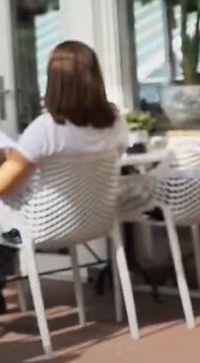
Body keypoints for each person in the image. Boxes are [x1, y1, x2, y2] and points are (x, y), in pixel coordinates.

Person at [0, 41, 128, 313]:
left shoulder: (46, 128)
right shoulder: (115, 121)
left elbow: (3, 185)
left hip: (41, 226)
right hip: (94, 222)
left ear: (55, 82)